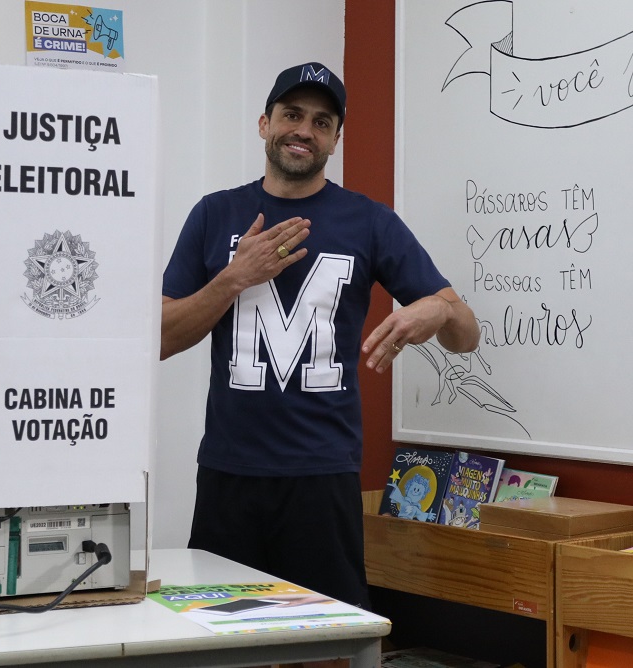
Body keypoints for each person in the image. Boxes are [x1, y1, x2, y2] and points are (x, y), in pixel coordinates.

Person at [160, 62, 480, 609]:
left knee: (330, 638)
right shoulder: (215, 214)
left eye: (321, 121)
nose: (303, 130)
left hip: (321, 472)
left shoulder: (370, 221)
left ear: (335, 137)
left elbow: (466, 334)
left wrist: (435, 311)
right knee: (218, 634)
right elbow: (160, 338)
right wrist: (235, 278)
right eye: (291, 115)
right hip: (229, 470)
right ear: (264, 124)